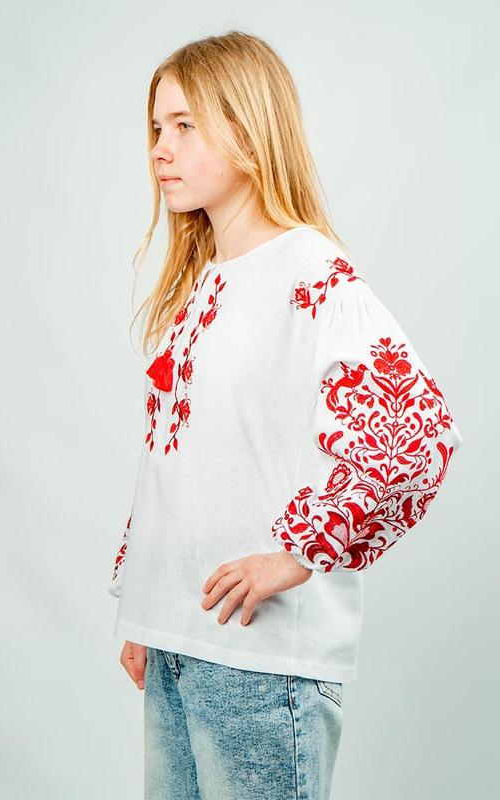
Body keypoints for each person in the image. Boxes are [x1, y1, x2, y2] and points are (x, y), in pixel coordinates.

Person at [108, 30, 463, 800]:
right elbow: (180, 460)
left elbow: (419, 433)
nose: (160, 149)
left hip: (261, 665)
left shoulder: (309, 272)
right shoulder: (205, 282)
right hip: (178, 646)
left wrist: (299, 553)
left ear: (248, 128)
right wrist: (145, 607)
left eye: (185, 125)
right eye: (157, 127)